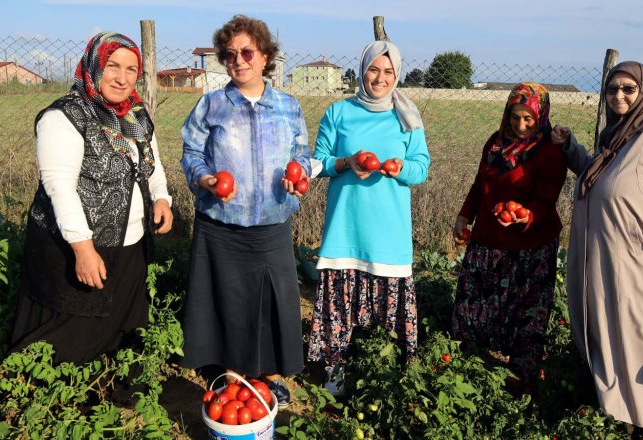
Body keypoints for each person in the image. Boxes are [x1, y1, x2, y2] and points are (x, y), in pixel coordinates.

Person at [10, 32, 174, 364]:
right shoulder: (64, 117)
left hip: (129, 241)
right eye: (113, 66)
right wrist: (82, 249)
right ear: (94, 66)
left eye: (131, 69)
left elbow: (151, 162)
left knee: (118, 324)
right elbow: (60, 187)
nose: (122, 78)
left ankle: (109, 378)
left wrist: (161, 197)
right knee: (71, 329)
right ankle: (46, 386)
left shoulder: (135, 114)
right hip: (76, 245)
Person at [552, 61, 643, 439]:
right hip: (603, 262)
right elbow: (600, 178)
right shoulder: (617, 136)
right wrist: (570, 148)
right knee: (612, 337)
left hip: (637, 264)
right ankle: (626, 417)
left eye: (628, 89)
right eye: (612, 90)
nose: (619, 96)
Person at [179, 15, 310, 408]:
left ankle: (271, 375)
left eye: (247, 52)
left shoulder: (288, 106)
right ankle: (234, 374)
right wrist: (205, 179)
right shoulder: (212, 104)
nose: (238, 60)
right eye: (230, 54)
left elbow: (301, 154)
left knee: (273, 299)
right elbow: (192, 152)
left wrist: (299, 175)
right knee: (229, 300)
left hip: (271, 221)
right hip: (222, 224)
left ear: (265, 56)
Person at [306, 40, 430, 395]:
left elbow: (421, 168)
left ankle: (385, 378)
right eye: (374, 69)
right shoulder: (339, 112)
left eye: (388, 71)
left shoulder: (407, 117)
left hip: (389, 234)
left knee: (388, 312)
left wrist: (401, 168)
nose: (380, 78)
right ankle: (335, 375)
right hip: (345, 230)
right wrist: (346, 163)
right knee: (339, 307)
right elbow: (317, 162)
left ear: (397, 75)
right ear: (362, 71)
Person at [451, 82, 567, 393]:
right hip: (488, 240)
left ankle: (520, 380)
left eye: (528, 118)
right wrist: (465, 215)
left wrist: (525, 215)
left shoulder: (550, 149)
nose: (521, 125)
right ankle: (470, 366)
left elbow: (547, 199)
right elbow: (480, 184)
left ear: (541, 116)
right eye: (515, 117)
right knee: (474, 303)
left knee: (526, 312)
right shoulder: (495, 142)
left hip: (531, 247)